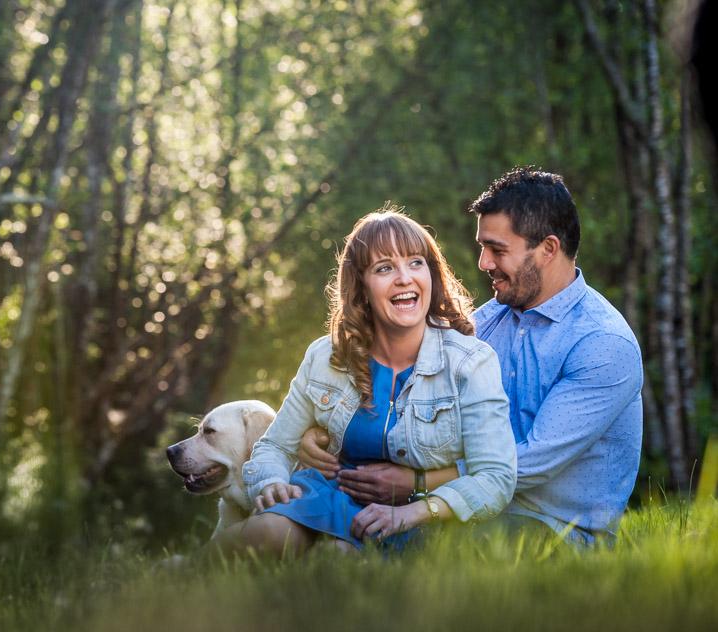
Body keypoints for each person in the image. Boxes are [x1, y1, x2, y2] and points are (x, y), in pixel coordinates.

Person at [299, 168, 643, 545]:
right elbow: (403, 394)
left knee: (416, 548)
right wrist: (326, 431)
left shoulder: (602, 343)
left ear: (547, 249)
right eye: (483, 247)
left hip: (551, 528)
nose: (483, 263)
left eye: (497, 249)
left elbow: (529, 464)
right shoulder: (487, 322)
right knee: (321, 522)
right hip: (463, 508)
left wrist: (416, 484)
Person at [211, 205, 517, 556]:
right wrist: (271, 482)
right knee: (271, 530)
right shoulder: (326, 356)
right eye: (384, 268)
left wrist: (412, 511)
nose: (404, 278)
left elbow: (495, 478)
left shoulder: (471, 364)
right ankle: (181, 572)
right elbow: (275, 446)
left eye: (416, 263)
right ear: (361, 286)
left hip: (420, 516)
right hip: (329, 499)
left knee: (340, 559)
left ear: (431, 275)